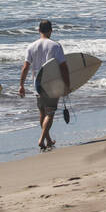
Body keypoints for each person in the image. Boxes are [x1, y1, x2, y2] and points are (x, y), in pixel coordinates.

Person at [19, 19, 71, 150]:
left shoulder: (31, 46)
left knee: (42, 112)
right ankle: (41, 139)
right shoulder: (55, 46)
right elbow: (63, 67)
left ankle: (48, 140)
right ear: (51, 30)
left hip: (37, 84)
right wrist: (67, 84)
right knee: (50, 113)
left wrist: (21, 85)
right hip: (52, 83)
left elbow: (25, 67)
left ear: (38, 30)